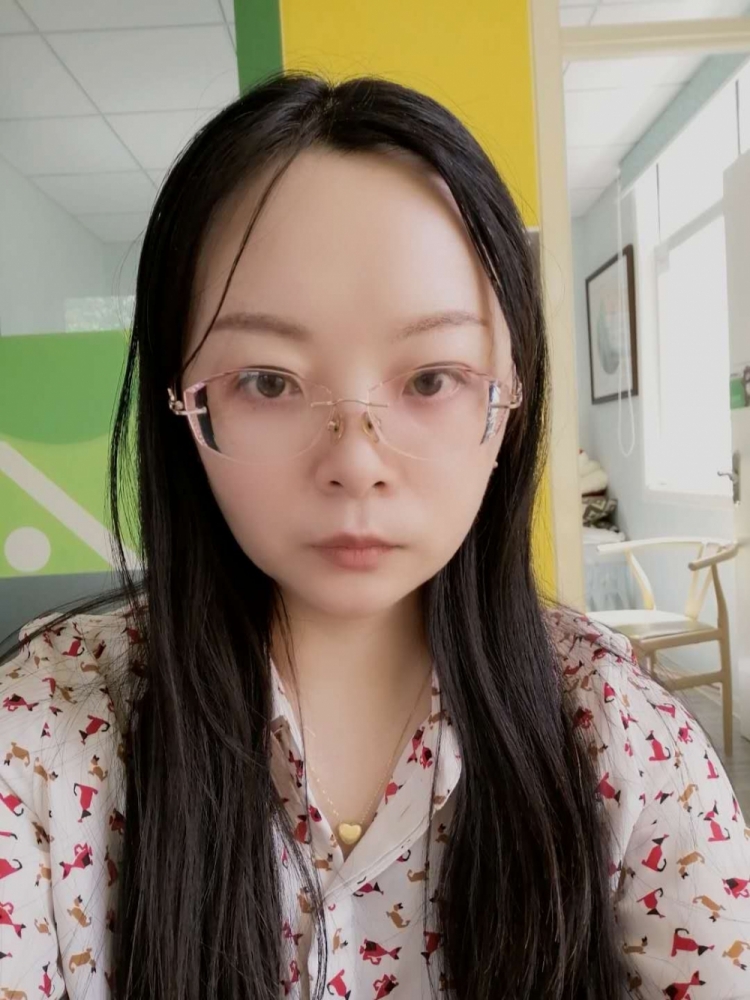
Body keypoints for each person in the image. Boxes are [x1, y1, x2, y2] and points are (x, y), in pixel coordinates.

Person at [0, 71, 748, 1000]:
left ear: (510, 401)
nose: (355, 462)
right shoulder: (40, 744)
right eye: (268, 382)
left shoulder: (627, 742)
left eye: (431, 379)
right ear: (179, 407)